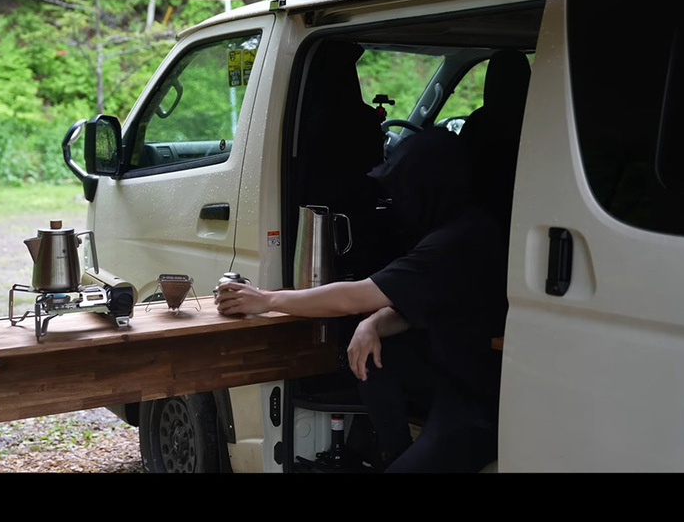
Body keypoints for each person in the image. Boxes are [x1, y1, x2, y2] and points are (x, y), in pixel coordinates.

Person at [215, 126, 509, 472]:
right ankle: (398, 456)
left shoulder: (454, 243)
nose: (396, 200)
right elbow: (411, 307)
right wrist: (371, 324)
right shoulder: (464, 225)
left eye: (404, 189)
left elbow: (353, 297)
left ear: (430, 184)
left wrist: (266, 300)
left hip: (479, 403)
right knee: (370, 351)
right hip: (453, 374)